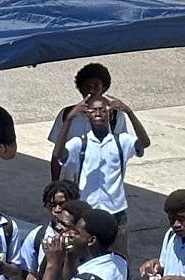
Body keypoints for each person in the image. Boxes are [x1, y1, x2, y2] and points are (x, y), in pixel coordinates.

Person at [54, 83, 150, 228]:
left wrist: (130, 113)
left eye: (102, 110)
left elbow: (144, 143)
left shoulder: (121, 141)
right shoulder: (80, 143)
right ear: (87, 116)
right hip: (87, 209)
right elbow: (58, 153)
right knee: (87, 249)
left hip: (115, 211)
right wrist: (69, 119)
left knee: (118, 250)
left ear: (110, 114)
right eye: (93, 110)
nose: (98, 113)